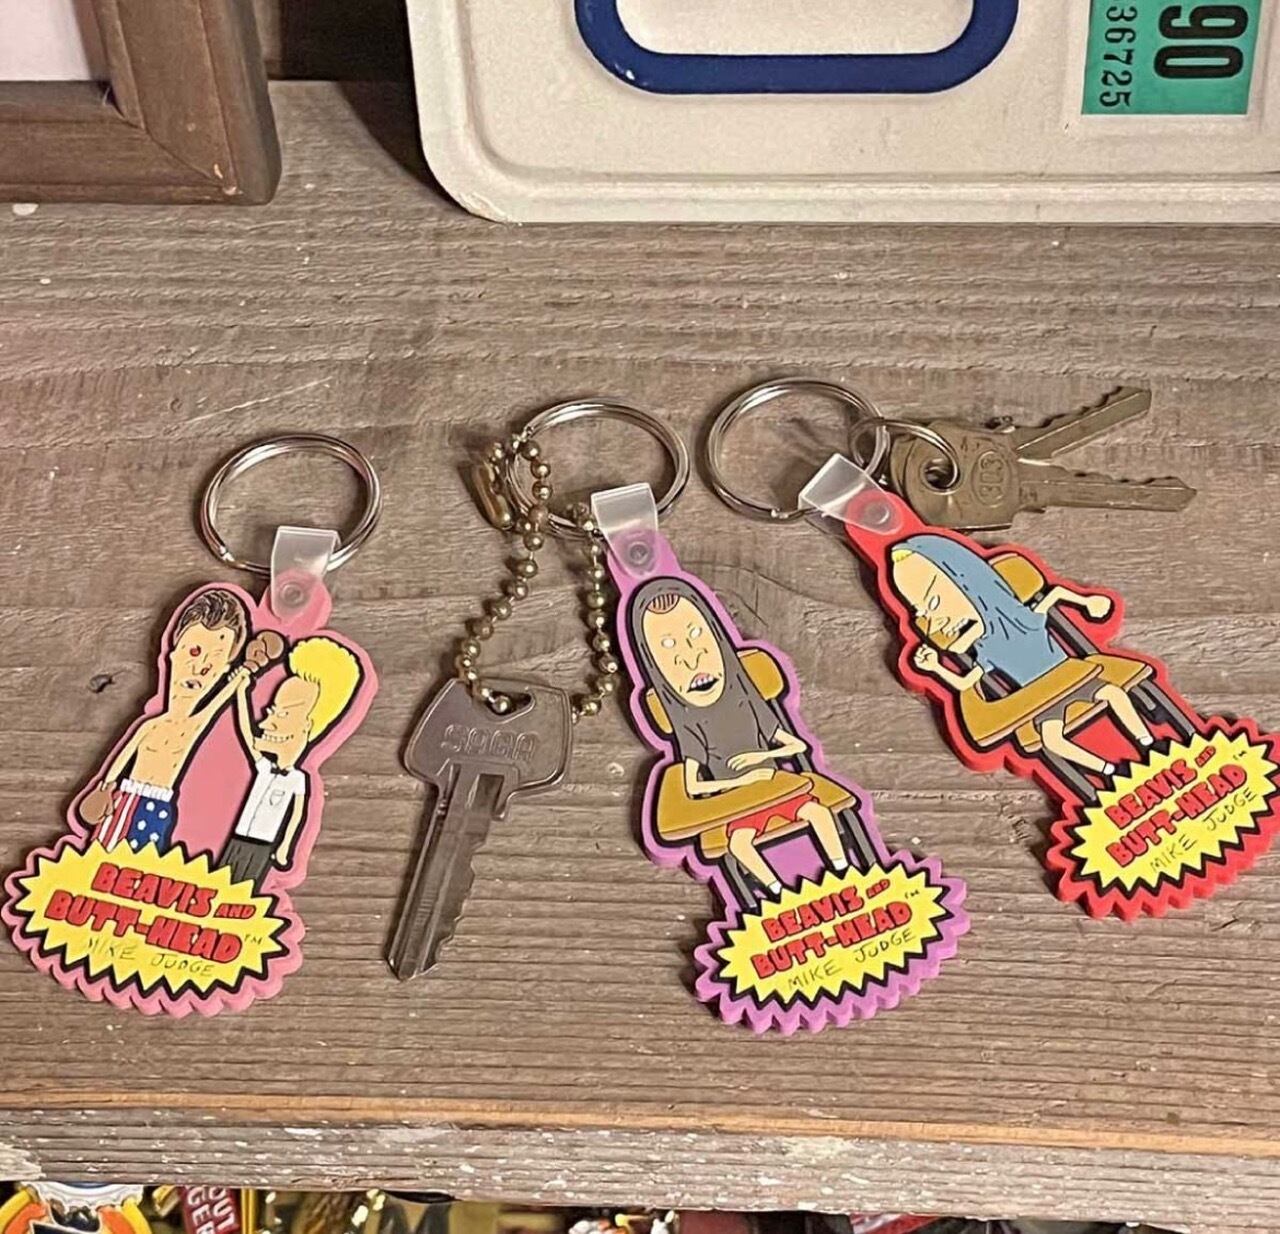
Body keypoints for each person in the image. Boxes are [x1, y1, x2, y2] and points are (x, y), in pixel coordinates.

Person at [628, 577, 850, 897]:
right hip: (735, 802)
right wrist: (738, 782)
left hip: (776, 787)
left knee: (818, 813)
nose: (691, 659)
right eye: (667, 649)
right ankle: (777, 894)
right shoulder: (688, 724)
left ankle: (844, 874)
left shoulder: (749, 701)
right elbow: (693, 786)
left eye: (696, 636)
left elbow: (797, 744)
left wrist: (762, 758)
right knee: (739, 844)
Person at [889, 534, 1155, 776]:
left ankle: (1148, 742)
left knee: (1112, 693)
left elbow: (1054, 594)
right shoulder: (985, 649)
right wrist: (935, 667)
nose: (932, 619)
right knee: (1052, 740)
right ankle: (1109, 770)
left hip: (1072, 676)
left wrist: (1087, 602)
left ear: (968, 582)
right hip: (1037, 699)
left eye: (934, 602)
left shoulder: (1022, 617)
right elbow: (964, 682)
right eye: (921, 610)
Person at [88, 589, 251, 853]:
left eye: (213, 663)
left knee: (144, 865)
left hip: (159, 808)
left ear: (221, 672)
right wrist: (105, 787)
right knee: (102, 855)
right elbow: (121, 760)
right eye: (195, 652)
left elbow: (218, 704)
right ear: (173, 654)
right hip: (125, 801)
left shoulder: (194, 726)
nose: (199, 669)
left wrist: (243, 675)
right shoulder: (151, 725)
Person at [218, 635, 362, 889]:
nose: (264, 723)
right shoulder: (264, 768)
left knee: (241, 892)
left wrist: (284, 847)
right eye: (271, 712)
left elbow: (296, 816)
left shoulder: (297, 779)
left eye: (283, 714)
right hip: (237, 839)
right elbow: (246, 732)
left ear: (307, 725)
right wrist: (240, 692)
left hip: (262, 846)